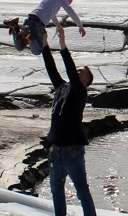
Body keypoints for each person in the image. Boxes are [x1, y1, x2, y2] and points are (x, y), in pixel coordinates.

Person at [41, 30, 96, 216]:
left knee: (82, 194)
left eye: (83, 73)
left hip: (73, 152)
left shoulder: (80, 92)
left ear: (85, 82)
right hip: (56, 152)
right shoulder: (62, 87)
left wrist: (63, 45)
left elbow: (71, 71)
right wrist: (45, 45)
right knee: (56, 192)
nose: (79, 72)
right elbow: (51, 69)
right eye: (80, 70)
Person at [3, 0, 86, 56]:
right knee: (37, 51)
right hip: (38, 24)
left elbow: (52, 15)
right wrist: (80, 26)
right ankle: (28, 35)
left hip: (29, 20)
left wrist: (58, 25)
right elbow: (71, 12)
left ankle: (15, 27)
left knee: (19, 47)